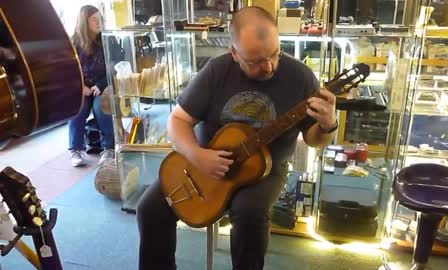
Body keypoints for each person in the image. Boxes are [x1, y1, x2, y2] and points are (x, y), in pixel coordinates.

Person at [136, 6, 338, 270]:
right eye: (255, 61)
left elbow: (313, 140)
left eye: (274, 55)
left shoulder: (300, 77)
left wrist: (327, 125)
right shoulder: (216, 71)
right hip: (208, 161)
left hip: (266, 169)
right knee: (150, 209)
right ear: (234, 54)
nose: (268, 67)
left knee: (249, 213)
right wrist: (198, 155)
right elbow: (177, 121)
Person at [68, 5, 114, 167]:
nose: (98, 22)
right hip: (82, 88)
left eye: (99, 18)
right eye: (93, 19)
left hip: (103, 86)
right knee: (77, 107)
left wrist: (100, 85)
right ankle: (76, 149)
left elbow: (116, 66)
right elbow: (67, 70)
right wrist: (81, 87)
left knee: (101, 106)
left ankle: (109, 147)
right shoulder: (73, 42)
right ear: (84, 22)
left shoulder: (108, 39)